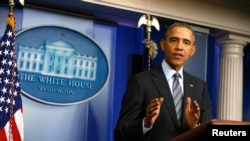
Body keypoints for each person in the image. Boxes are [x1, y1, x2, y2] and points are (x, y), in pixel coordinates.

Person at [114, 22, 212, 141]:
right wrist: (146, 123)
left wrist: (194, 127)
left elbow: (208, 132)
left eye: (186, 42)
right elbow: (120, 134)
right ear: (163, 44)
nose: (179, 47)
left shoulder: (200, 86)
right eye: (174, 40)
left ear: (192, 50)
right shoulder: (141, 81)